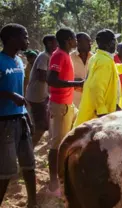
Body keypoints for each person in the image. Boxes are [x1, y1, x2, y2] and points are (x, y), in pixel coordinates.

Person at [0, 24, 37, 208]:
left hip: (20, 118)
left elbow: (21, 91)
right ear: (12, 38)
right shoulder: (0, 61)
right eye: (25, 36)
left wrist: (27, 116)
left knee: (29, 163)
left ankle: (33, 204)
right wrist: (7, 95)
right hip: (3, 122)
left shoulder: (19, 61)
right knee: (5, 171)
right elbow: (12, 93)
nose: (28, 40)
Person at [74, 29, 122, 127]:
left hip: (96, 113)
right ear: (110, 44)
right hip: (97, 118)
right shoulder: (104, 62)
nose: (116, 44)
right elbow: (96, 88)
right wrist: (102, 112)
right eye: (115, 41)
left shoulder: (97, 58)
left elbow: (113, 69)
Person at [46, 28, 83, 196]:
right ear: (69, 40)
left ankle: (65, 175)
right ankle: (54, 182)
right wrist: (74, 84)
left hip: (68, 104)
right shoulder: (59, 54)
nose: (76, 41)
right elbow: (52, 79)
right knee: (57, 144)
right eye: (74, 38)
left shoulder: (65, 54)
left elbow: (61, 78)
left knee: (68, 140)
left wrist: (75, 84)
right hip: (60, 105)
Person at [25, 35, 57, 146]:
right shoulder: (44, 57)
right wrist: (58, 80)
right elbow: (42, 77)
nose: (57, 45)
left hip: (42, 96)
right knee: (41, 126)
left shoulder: (49, 56)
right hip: (37, 97)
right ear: (49, 43)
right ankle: (28, 149)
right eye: (55, 42)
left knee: (45, 125)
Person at [70, 32, 92, 108]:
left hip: (90, 100)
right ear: (78, 42)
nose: (90, 44)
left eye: (90, 42)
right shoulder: (70, 57)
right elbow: (62, 78)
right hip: (73, 101)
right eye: (87, 42)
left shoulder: (94, 58)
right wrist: (75, 81)